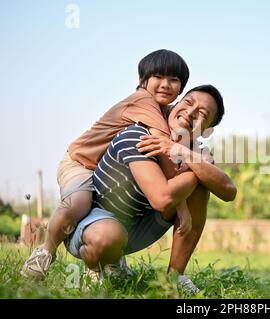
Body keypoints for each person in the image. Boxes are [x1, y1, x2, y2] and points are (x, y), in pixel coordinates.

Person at [21, 49, 192, 279]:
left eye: (174, 80)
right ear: (143, 80)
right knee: (79, 202)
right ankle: (45, 252)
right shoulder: (143, 101)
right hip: (80, 162)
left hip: (104, 170)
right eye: (158, 77)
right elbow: (164, 149)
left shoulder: (164, 111)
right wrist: (181, 205)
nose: (165, 84)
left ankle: (108, 256)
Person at [64, 85, 236, 294]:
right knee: (107, 237)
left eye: (201, 114)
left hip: (135, 229)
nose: (190, 113)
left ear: (207, 131)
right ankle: (96, 267)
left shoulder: (193, 151)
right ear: (175, 105)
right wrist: (196, 169)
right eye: (188, 103)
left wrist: (181, 152)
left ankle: (175, 277)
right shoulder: (139, 133)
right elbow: (161, 200)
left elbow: (228, 191)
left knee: (204, 181)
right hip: (93, 227)